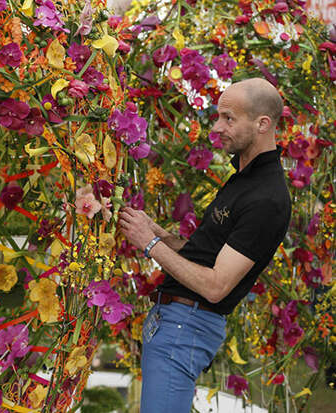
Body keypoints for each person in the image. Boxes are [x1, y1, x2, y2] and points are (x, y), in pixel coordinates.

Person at [117, 78, 292, 412]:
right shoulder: (244, 180)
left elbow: (215, 286)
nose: (217, 127)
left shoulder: (267, 198)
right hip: (176, 322)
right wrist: (160, 233)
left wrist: (150, 243)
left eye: (229, 118)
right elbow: (204, 258)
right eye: (218, 117)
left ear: (262, 124)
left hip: (188, 325)